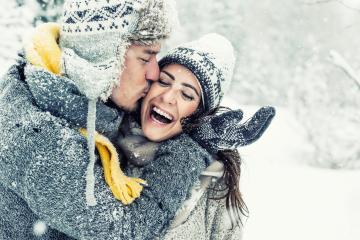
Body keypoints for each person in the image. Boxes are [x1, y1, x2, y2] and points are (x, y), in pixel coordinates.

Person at [0, 1, 275, 240]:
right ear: (105, 57)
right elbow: (123, 228)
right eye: (147, 57)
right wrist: (193, 149)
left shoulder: (93, 117)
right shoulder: (35, 133)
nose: (155, 74)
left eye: (187, 94)